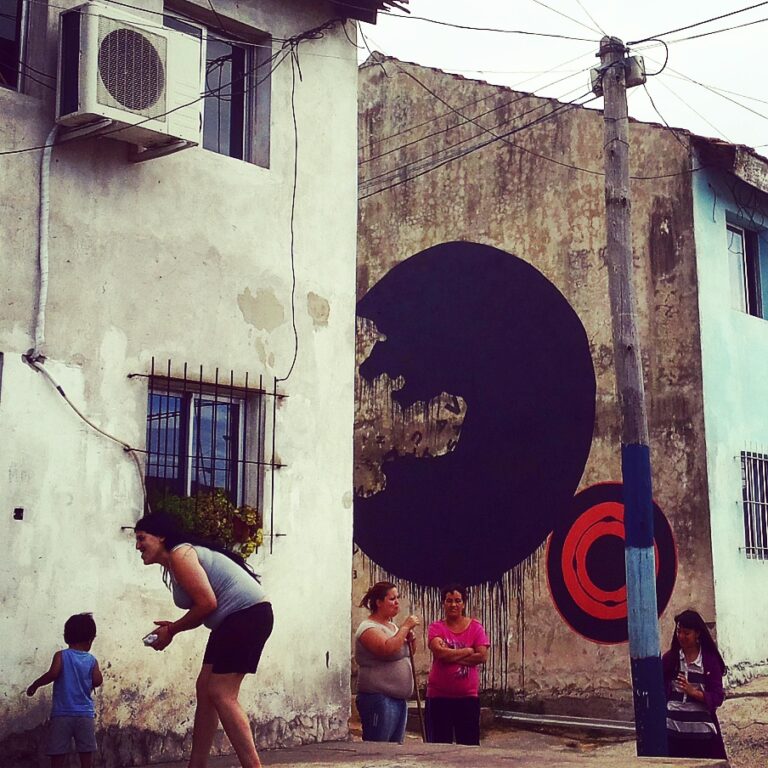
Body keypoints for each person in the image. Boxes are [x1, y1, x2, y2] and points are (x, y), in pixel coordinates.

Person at [134, 512, 273, 768]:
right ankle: (196, 764)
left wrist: (172, 631)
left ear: (161, 537)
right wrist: (172, 629)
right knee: (205, 689)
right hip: (230, 622)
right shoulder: (175, 563)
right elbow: (204, 607)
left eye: (142, 538)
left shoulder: (181, 555)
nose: (137, 546)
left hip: (246, 617)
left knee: (222, 693)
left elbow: (207, 604)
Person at [26, 613, 104, 768]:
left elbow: (52, 674)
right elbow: (98, 681)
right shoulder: (92, 660)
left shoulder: (61, 656)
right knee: (86, 752)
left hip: (62, 714)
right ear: (90, 640)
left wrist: (35, 684)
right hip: (84, 714)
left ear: (67, 636)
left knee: (58, 752)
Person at [355, 581, 420, 743]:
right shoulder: (368, 628)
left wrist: (411, 640)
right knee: (378, 748)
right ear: (379, 602)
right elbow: (386, 649)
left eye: (397, 598)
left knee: (394, 750)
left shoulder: (392, 627)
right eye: (392, 599)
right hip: (379, 698)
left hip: (398, 699)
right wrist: (405, 628)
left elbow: (407, 653)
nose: (397, 602)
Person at [425, 584, 490, 745]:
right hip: (439, 697)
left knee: (469, 747)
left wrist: (450, 656)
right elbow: (439, 653)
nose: (453, 604)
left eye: (457, 600)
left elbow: (482, 656)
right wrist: (468, 650)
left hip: (467, 698)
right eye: (449, 601)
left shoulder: (476, 628)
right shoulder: (436, 627)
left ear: (464, 603)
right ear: (443, 603)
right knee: (438, 746)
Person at [662, 609, 727, 759]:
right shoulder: (670, 660)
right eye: (679, 632)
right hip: (673, 732)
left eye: (686, 633)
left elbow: (718, 697)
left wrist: (694, 692)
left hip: (701, 735)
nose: (681, 636)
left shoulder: (709, 662)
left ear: (697, 633)